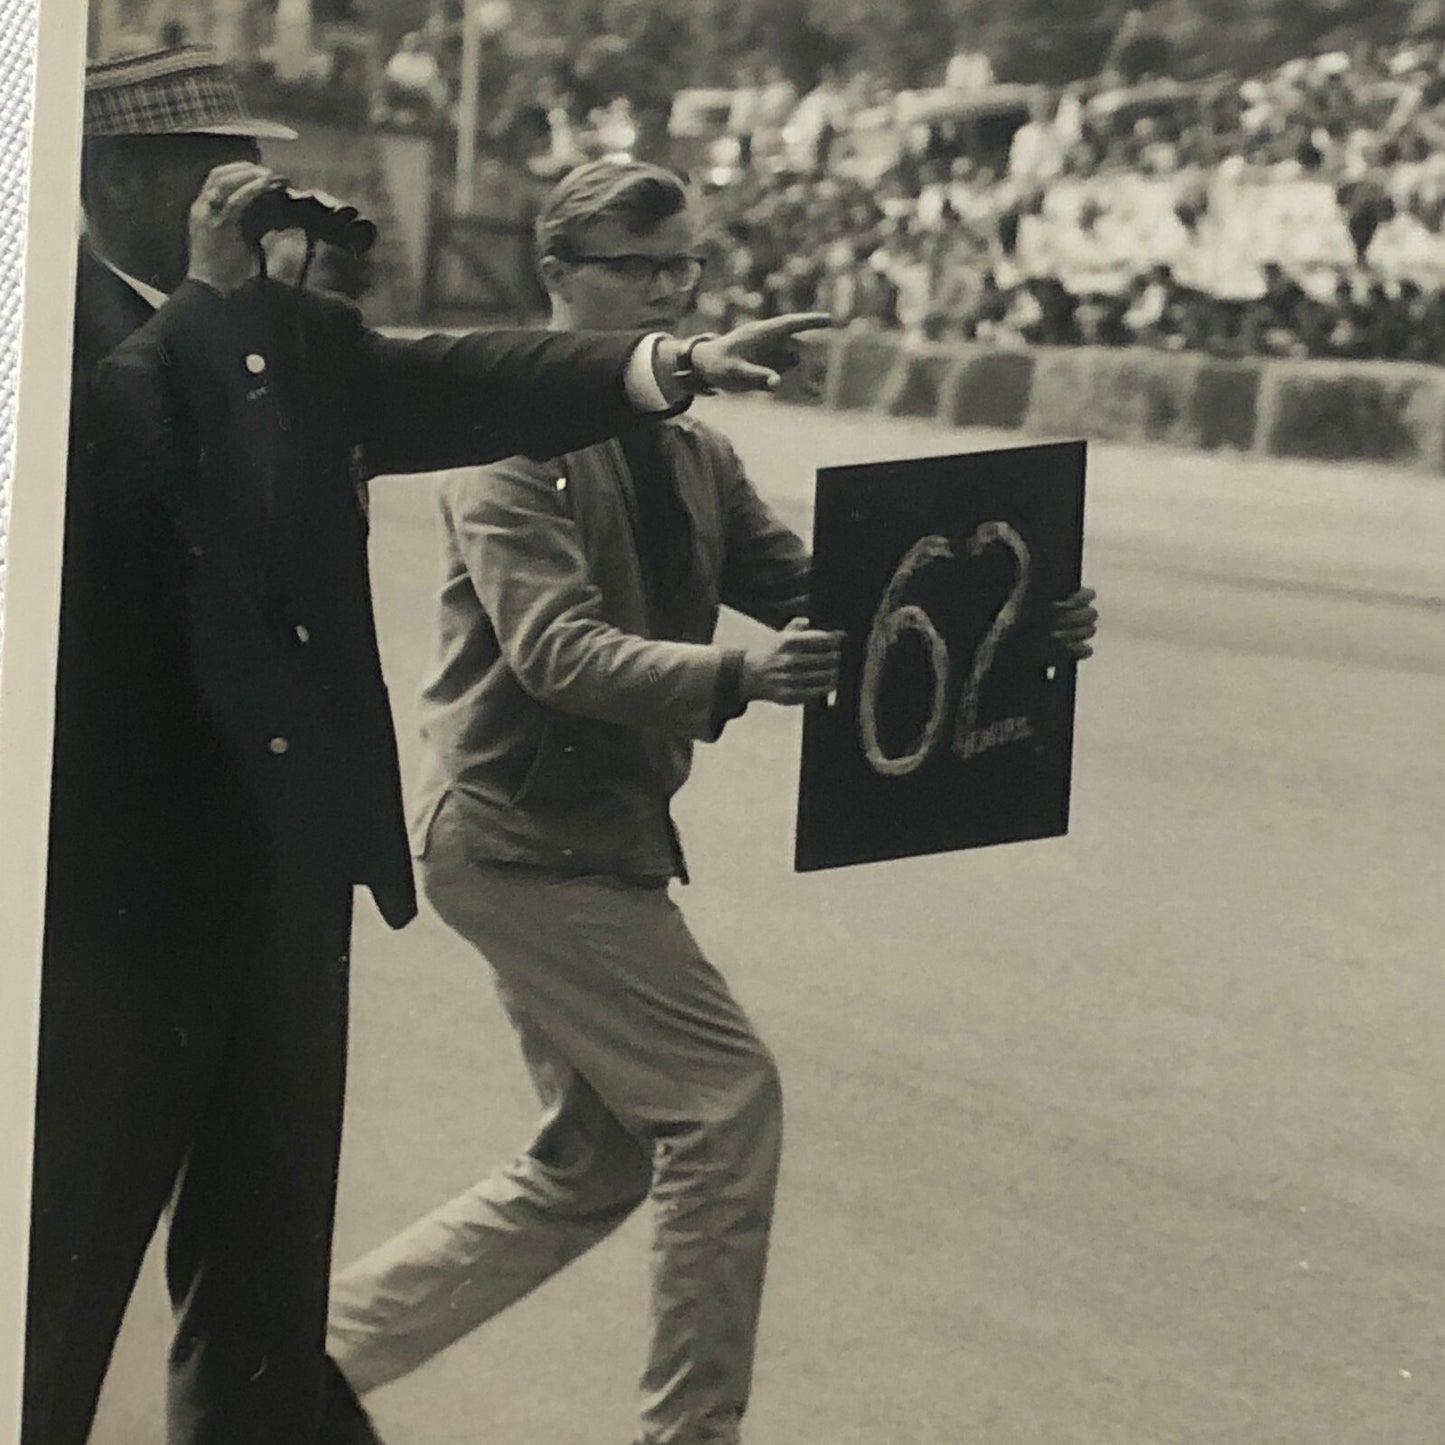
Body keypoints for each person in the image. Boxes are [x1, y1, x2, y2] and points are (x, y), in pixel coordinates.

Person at [26, 47, 828, 1445]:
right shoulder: (58, 330)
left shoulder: (281, 332)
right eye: (205, 170)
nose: (241, 193)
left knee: (264, 1290)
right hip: (115, 895)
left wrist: (666, 365)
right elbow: (124, 457)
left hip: (284, 875)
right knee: (58, 1282)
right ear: (106, 184)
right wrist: (220, 302)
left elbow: (458, 378)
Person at [325, 158, 1100, 1445]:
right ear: (558, 277)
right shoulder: (504, 452)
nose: (671, 290)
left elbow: (841, 597)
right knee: (724, 1105)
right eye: (637, 267)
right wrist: (737, 672)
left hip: (588, 836)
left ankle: (304, 1363)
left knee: (595, 1160)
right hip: (516, 837)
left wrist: (1019, 628)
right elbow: (555, 652)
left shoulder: (691, 452)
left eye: (684, 266)